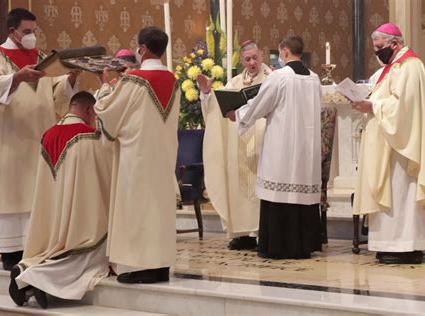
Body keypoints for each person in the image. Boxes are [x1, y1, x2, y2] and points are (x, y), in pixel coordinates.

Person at [0, 8, 79, 271]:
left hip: (40, 136)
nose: (31, 37)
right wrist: (16, 77)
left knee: (38, 190)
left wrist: (70, 78)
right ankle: (10, 251)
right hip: (11, 139)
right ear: (12, 31)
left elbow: (56, 92)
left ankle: (37, 245)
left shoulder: (41, 58)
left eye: (34, 32)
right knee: (13, 191)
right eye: (26, 32)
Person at [8, 91, 111, 309]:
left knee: (52, 248)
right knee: (91, 255)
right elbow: (103, 177)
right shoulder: (89, 135)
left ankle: (25, 267)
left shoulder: (48, 134)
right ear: (89, 110)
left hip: (54, 215)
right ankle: (39, 276)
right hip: (80, 213)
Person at [94, 26, 180, 284]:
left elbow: (108, 113)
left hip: (138, 157)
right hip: (164, 157)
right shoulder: (173, 80)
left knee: (139, 209)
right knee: (159, 210)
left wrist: (103, 88)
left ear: (142, 49)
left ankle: (141, 267)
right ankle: (161, 265)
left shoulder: (135, 79)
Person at [351, 23, 425, 264]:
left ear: (394, 43)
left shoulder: (410, 66)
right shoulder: (391, 68)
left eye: (380, 47)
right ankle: (388, 243)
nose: (377, 53)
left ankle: (406, 245)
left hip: (402, 148)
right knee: (393, 194)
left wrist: (373, 106)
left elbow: (404, 107)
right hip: (388, 144)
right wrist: (366, 103)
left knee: (402, 194)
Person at [227, 35, 322, 259]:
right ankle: (303, 245)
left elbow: (260, 104)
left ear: (284, 51)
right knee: (301, 196)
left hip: (282, 147)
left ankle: (278, 246)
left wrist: (238, 115)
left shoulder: (279, 78)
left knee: (279, 192)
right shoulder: (315, 79)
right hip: (305, 150)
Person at [196, 41, 271, 250]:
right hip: (239, 144)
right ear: (242, 61)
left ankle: (260, 231)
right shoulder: (235, 82)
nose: (252, 62)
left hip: (264, 144)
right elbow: (217, 108)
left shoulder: (273, 79)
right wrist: (206, 94)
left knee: (259, 186)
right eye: (247, 59)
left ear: (262, 56)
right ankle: (242, 233)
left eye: (255, 57)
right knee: (238, 186)